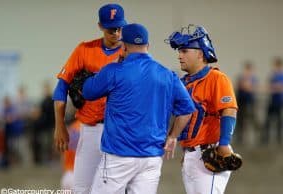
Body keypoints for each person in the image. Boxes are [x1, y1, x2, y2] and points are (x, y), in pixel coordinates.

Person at [82, 23, 195, 194]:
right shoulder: (167, 74)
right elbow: (187, 109)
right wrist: (172, 137)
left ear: (124, 46)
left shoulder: (114, 70)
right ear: (148, 46)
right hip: (151, 158)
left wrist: (103, 70)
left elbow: (88, 92)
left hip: (118, 156)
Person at [52, 4, 127, 193]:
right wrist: (60, 125)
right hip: (91, 129)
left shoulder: (131, 53)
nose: (116, 32)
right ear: (101, 26)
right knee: (81, 188)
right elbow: (61, 87)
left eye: (119, 28)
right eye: (111, 29)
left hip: (121, 130)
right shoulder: (84, 50)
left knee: (117, 189)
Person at [166, 25, 238, 194]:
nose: (179, 56)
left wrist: (224, 144)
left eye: (184, 51)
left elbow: (229, 110)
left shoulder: (216, 78)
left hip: (211, 153)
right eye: (179, 51)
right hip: (192, 155)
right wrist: (188, 151)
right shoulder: (185, 82)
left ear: (200, 53)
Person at [262, 57, 283, 145]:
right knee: (268, 120)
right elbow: (269, 86)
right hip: (272, 101)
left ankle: (279, 139)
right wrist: (275, 87)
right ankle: (266, 139)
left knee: (279, 120)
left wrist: (275, 87)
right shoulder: (273, 76)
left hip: (280, 101)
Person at [235, 61, 260, 145]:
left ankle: (257, 137)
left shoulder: (254, 78)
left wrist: (248, 87)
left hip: (251, 102)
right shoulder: (241, 77)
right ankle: (240, 138)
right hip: (241, 102)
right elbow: (241, 86)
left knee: (252, 118)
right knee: (241, 120)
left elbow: (252, 88)